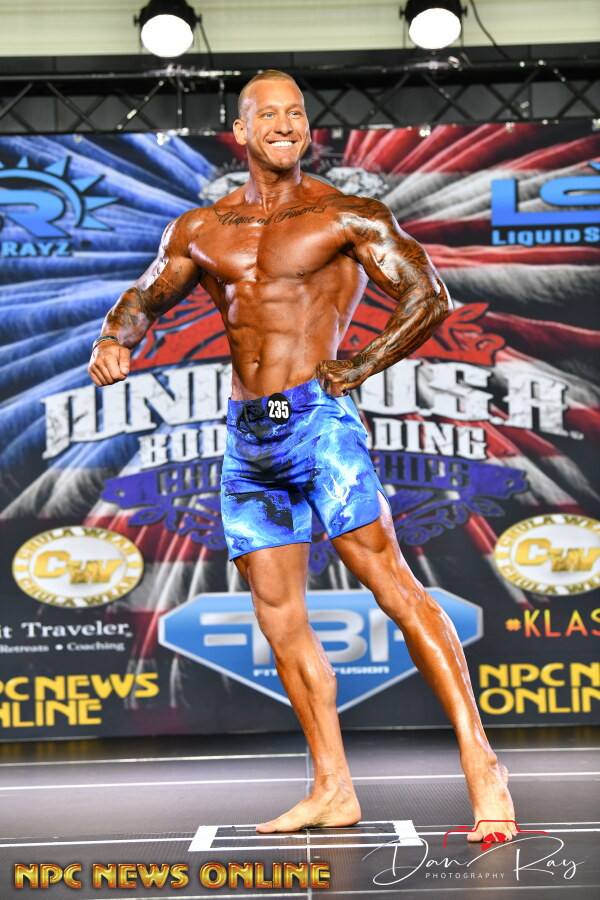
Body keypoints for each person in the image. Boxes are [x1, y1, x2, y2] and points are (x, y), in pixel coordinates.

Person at [88, 69, 517, 842]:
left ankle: (482, 763)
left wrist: (363, 363)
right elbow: (145, 297)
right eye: (270, 114)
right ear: (241, 130)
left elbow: (428, 297)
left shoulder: (346, 214)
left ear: (307, 128)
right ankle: (331, 788)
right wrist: (114, 340)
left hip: (320, 425)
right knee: (279, 616)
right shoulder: (200, 229)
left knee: (394, 587)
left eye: (296, 113)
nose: (286, 124)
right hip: (249, 438)